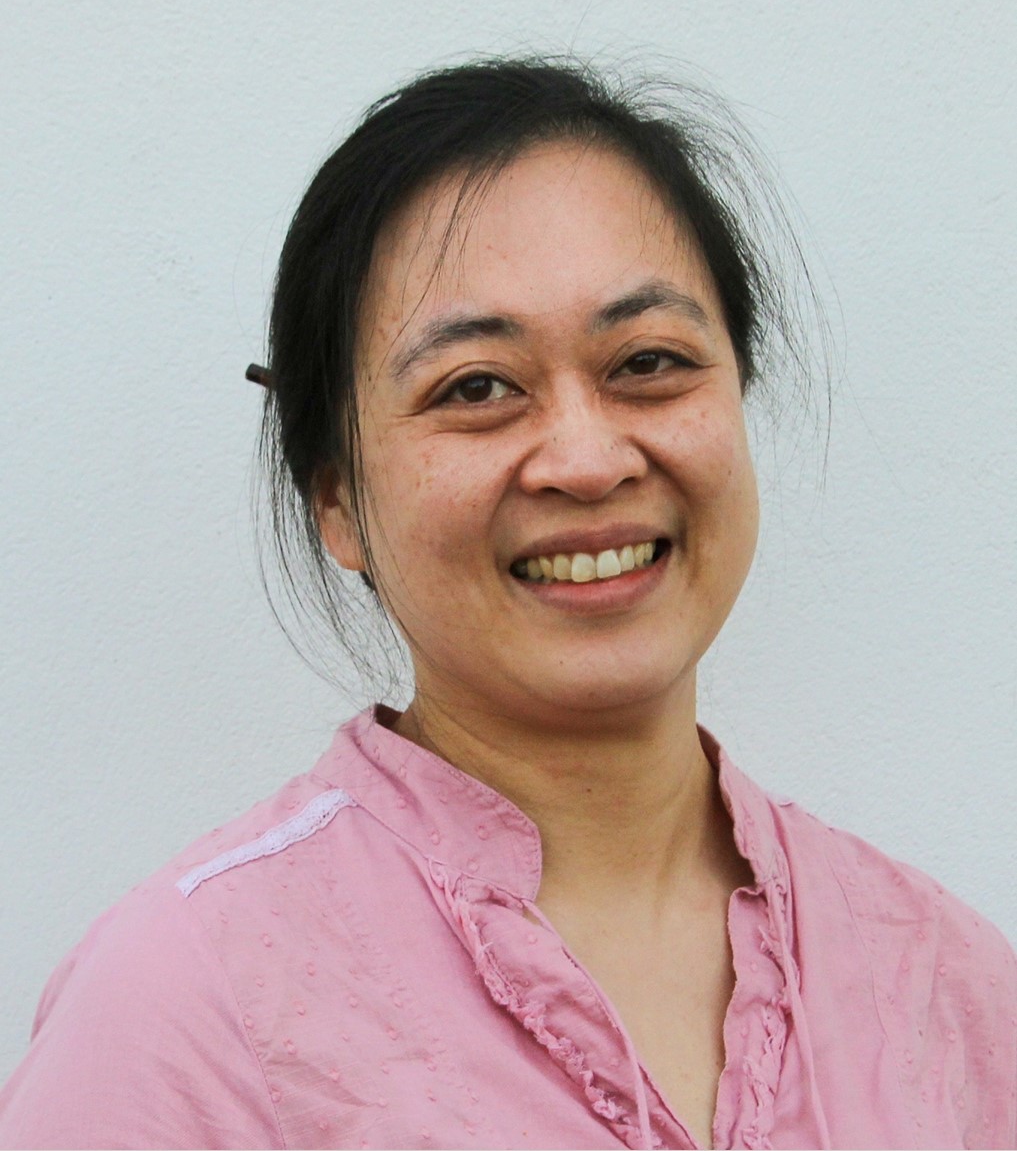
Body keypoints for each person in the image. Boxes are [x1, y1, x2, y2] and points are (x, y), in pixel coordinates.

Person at [0, 57, 1013, 1151]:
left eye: (649, 362)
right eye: (476, 387)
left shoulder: (945, 984)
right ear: (337, 499)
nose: (587, 458)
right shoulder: (188, 1011)